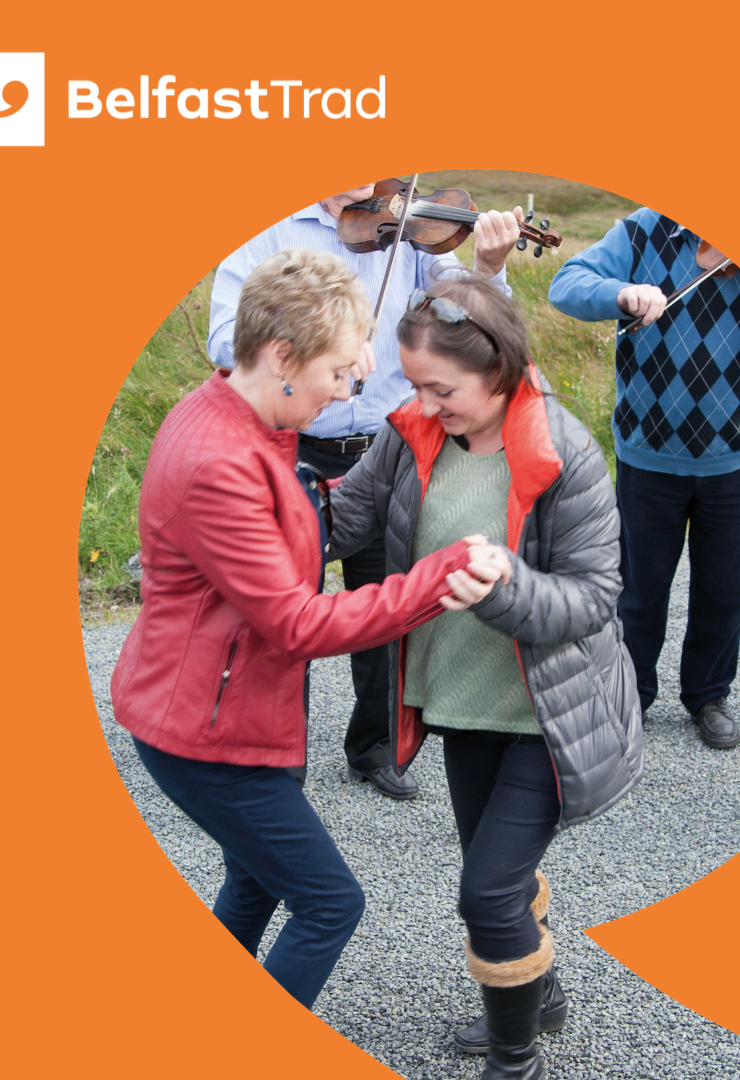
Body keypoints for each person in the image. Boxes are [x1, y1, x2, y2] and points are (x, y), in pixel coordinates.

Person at [111, 249, 507, 1010]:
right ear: (282, 356)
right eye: (336, 370)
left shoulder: (243, 420)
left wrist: (393, 472)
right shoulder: (221, 463)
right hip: (201, 732)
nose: (346, 386)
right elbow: (296, 623)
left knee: (257, 881)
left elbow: (293, 518)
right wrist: (439, 578)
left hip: (213, 712)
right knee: (330, 904)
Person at [329, 276, 643, 1079]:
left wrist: (506, 589)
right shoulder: (409, 436)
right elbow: (344, 522)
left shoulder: (564, 452)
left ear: (498, 369)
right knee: (495, 875)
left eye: (443, 389)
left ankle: (516, 1062)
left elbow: (595, 598)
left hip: (548, 717)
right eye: (416, 386)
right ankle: (542, 994)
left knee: (487, 893)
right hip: (462, 703)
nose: (426, 405)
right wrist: (243, 508)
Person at [208, 183, 522, 800]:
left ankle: (375, 747)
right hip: (292, 447)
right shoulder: (267, 229)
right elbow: (226, 340)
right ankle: (280, 756)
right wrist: (320, 345)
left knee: (385, 605)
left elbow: (468, 322)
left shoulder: (409, 221)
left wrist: (488, 269)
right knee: (283, 614)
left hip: (385, 448)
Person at [548, 209, 740, 749]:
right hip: (647, 453)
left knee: (726, 589)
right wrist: (621, 294)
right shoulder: (644, 229)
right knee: (637, 591)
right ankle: (630, 695)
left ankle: (708, 695)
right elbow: (566, 284)